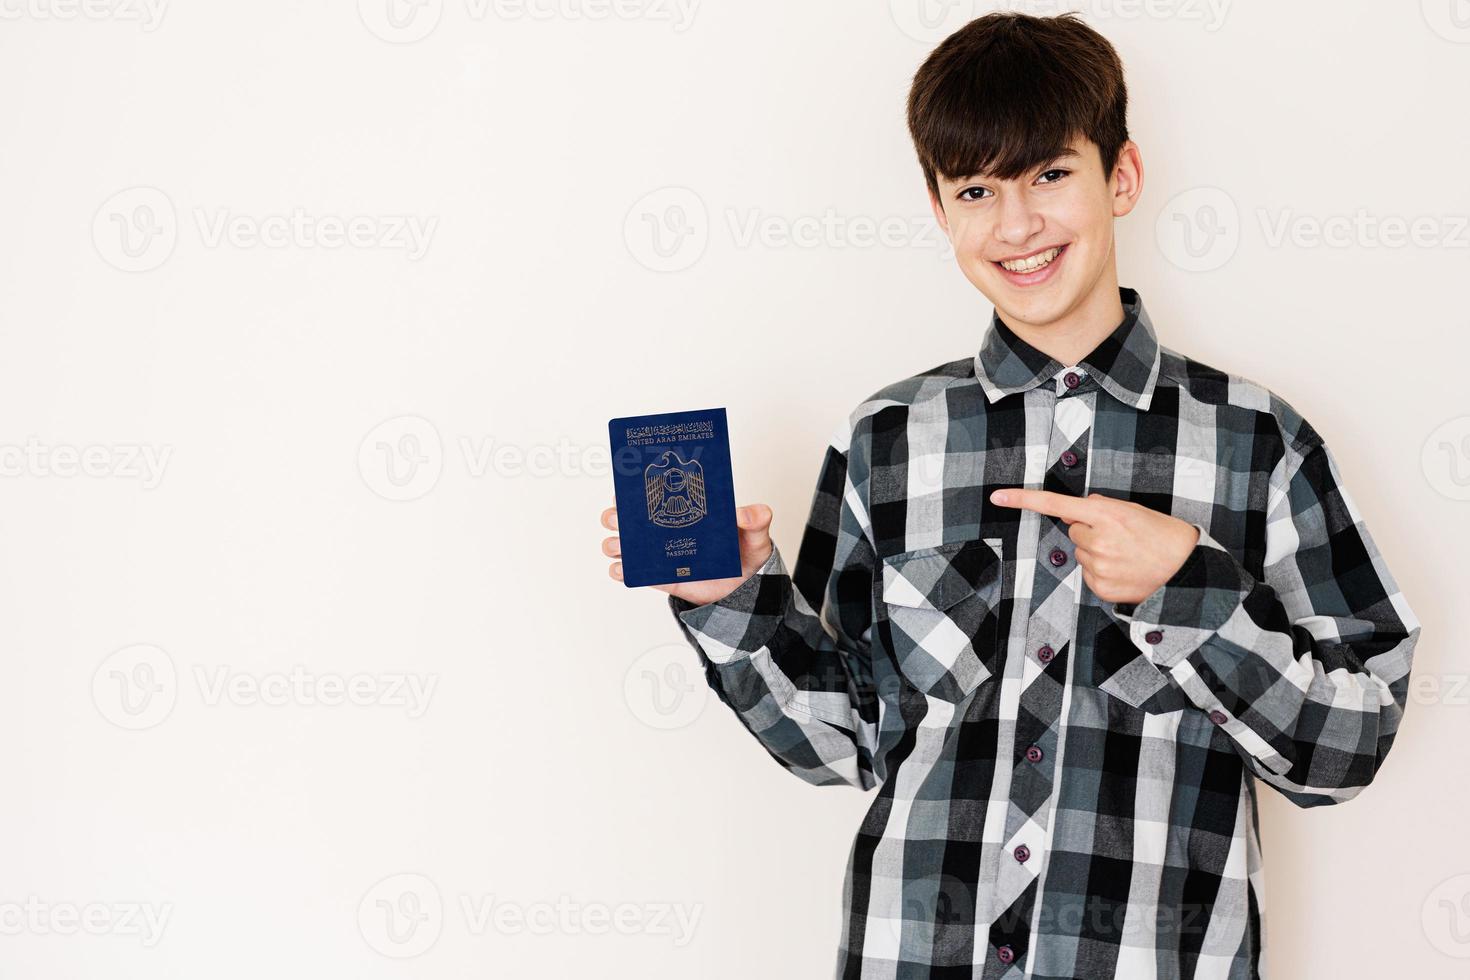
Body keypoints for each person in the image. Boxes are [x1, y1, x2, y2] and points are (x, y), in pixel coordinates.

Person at [599, 11, 1420, 978]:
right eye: (977, 188)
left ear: (1122, 177)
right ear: (940, 210)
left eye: (1049, 175)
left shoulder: (1258, 442)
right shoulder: (885, 441)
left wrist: (1187, 590)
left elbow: (1349, 747)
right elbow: (843, 741)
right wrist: (731, 601)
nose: (1016, 224)